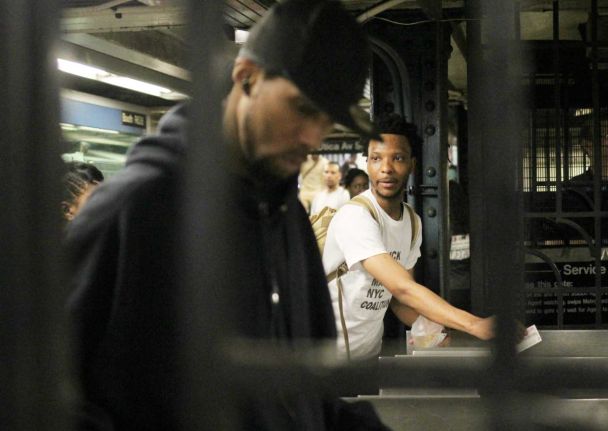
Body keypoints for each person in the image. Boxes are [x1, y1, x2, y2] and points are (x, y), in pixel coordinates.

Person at [65, 1, 388, 429]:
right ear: (246, 76)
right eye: (302, 109)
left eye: (327, 120)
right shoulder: (135, 209)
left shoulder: (283, 213)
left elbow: (309, 390)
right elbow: (48, 393)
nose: (313, 137)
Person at [321, 113, 494, 361]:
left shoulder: (412, 223)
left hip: (366, 354)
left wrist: (429, 328)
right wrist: (474, 324)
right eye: (376, 158)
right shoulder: (356, 216)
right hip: (324, 357)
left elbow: (397, 299)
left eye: (398, 158)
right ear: (367, 163)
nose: (386, 168)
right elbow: (404, 289)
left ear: (412, 164)